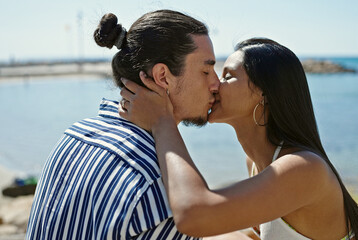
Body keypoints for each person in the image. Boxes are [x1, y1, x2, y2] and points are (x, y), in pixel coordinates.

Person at [119, 38, 358, 239]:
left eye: (229, 76)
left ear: (263, 95)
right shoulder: (255, 162)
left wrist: (163, 122)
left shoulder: (303, 169)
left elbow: (194, 216)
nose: (216, 84)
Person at [26, 10, 231, 239]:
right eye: (206, 70)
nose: (217, 83)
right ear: (163, 76)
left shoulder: (74, 135)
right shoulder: (165, 191)